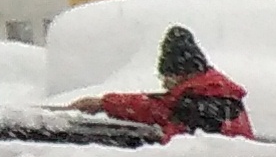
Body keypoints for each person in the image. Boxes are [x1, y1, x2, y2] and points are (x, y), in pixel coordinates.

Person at [74, 23, 251, 140]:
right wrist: (103, 104)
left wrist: (103, 104)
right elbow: (152, 106)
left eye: (166, 77)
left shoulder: (202, 103)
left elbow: (158, 108)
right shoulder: (208, 94)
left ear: (181, 75)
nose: (164, 84)